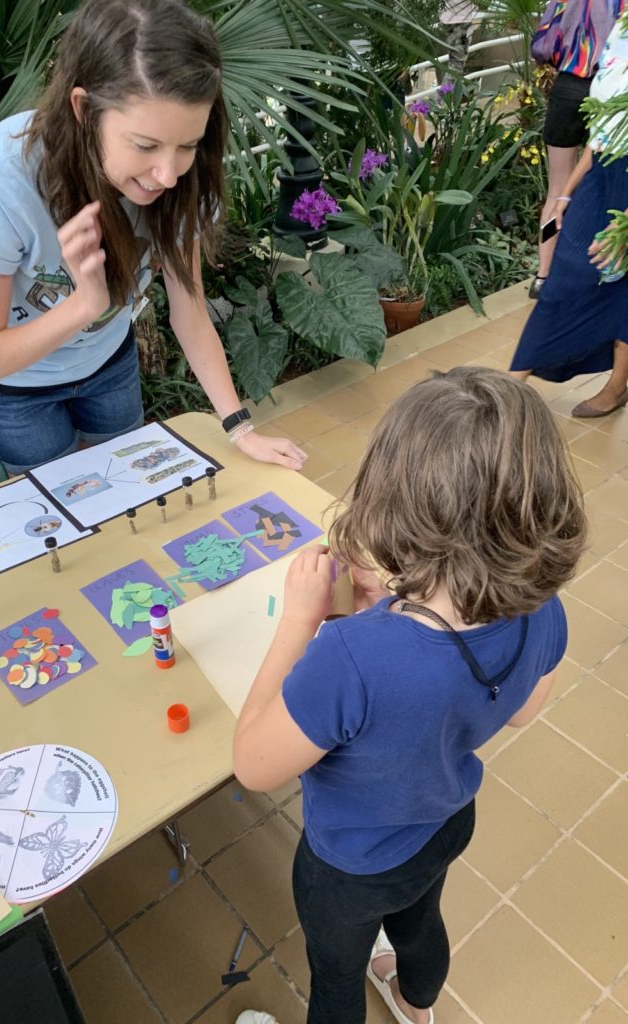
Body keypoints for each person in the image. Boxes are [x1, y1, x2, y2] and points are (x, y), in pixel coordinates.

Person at [232, 367, 586, 1024]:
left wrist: (299, 622)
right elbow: (523, 709)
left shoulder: (349, 657)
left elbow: (253, 765)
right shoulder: (544, 609)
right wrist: (398, 606)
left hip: (350, 863)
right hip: (446, 824)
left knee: (336, 970)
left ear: (398, 513)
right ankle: (417, 1001)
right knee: (419, 924)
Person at [0, 0, 307, 475]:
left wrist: (239, 427)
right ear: (85, 110)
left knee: (128, 498)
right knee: (61, 521)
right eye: (145, 145)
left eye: (188, 146)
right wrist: (83, 307)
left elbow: (189, 311)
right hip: (18, 388)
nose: (168, 175)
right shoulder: (0, 182)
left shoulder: (182, 183)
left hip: (109, 364)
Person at [511, 11, 628, 416]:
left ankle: (617, 384)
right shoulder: (618, 36)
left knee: (623, 281)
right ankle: (514, 382)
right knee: (571, 267)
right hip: (602, 172)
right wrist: (566, 195)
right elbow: (603, 129)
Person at [528, 0, 624, 299]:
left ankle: (543, 275)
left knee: (556, 189)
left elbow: (542, 46)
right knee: (608, 185)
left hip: (566, 90)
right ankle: (601, 274)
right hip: (610, 95)